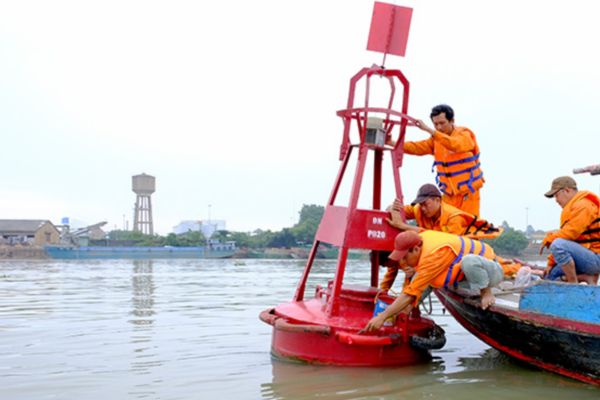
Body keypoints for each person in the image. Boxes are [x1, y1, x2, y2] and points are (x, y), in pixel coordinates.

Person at [363, 230, 504, 332]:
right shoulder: (420, 242)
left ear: (416, 249)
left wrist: (382, 317)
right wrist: (397, 313)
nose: (403, 262)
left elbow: (409, 294)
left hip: (490, 271)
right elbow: (410, 290)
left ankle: (486, 292)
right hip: (465, 278)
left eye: (405, 257)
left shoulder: (433, 255)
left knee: (469, 261)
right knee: (419, 289)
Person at [379, 183, 503, 291]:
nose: (422, 208)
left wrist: (403, 226)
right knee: (412, 282)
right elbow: (395, 211)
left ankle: (484, 290)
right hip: (431, 258)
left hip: (456, 260)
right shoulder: (419, 209)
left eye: (426, 204)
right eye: (420, 205)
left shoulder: (454, 218)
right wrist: (392, 208)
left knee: (419, 282)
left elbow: (445, 246)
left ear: (438, 200)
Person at [404, 104, 484, 216]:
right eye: (435, 124)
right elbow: (417, 147)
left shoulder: (465, 135)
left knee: (467, 224)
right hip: (449, 194)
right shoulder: (435, 140)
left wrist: (429, 130)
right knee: (447, 222)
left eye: (442, 123)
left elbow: (455, 144)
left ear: (452, 121)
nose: (439, 127)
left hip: (468, 193)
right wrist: (394, 143)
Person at [540, 176, 600, 284]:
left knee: (558, 244)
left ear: (566, 190)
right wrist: (550, 263)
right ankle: (585, 278)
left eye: (556, 195)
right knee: (551, 276)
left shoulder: (583, 206)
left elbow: (571, 233)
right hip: (588, 256)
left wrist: (549, 239)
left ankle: (573, 283)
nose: (556, 200)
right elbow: (568, 239)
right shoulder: (574, 207)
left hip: (596, 258)